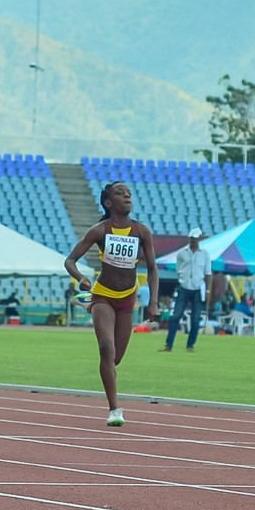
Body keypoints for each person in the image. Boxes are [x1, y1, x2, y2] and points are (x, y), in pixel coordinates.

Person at [65, 180, 159, 427]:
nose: (127, 196)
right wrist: (81, 277)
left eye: (129, 193)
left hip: (127, 298)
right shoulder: (100, 231)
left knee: (115, 359)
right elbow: (70, 261)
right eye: (120, 193)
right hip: (104, 294)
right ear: (109, 202)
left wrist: (153, 303)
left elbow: (152, 269)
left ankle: (87, 305)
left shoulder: (141, 231)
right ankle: (114, 409)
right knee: (106, 350)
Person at [161, 227, 212, 353]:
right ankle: (169, 345)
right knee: (175, 316)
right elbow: (179, 270)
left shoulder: (205, 254)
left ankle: (190, 345)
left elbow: (208, 274)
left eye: (195, 239)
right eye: (192, 239)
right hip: (183, 287)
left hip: (197, 288)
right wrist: (183, 280)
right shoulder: (181, 253)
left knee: (195, 319)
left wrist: (208, 291)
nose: (193, 241)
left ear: (199, 239)